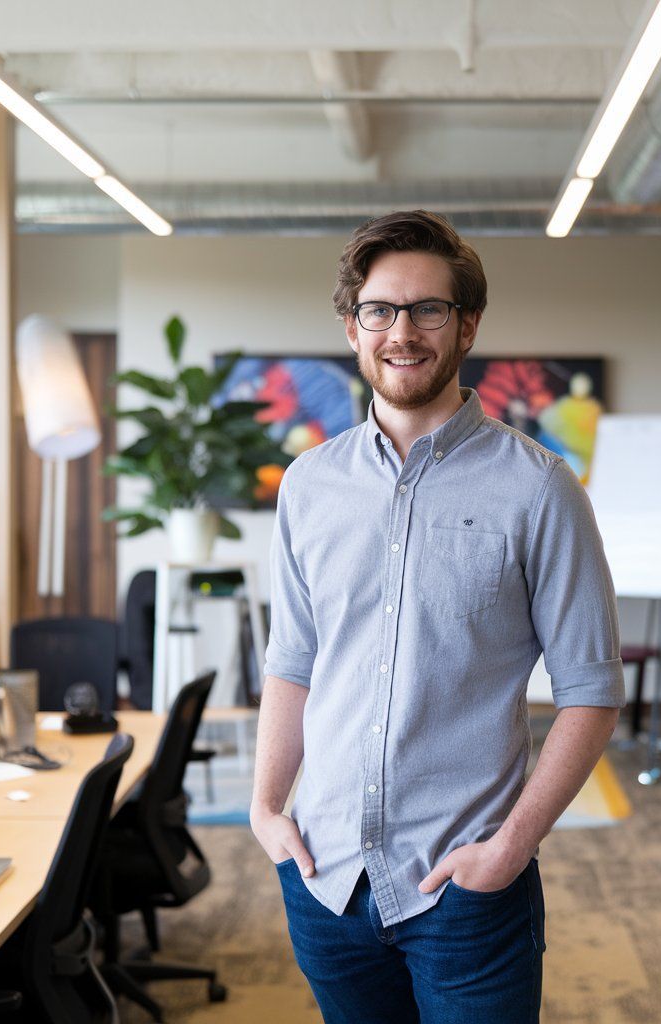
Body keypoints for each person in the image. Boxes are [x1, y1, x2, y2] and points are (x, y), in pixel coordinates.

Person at [251, 210, 625, 1024]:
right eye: (380, 310)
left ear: (467, 326)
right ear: (353, 328)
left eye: (429, 310)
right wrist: (265, 809)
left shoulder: (538, 489)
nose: (403, 332)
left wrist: (512, 846)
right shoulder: (310, 485)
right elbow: (293, 662)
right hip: (326, 881)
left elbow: (590, 691)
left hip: (465, 892)